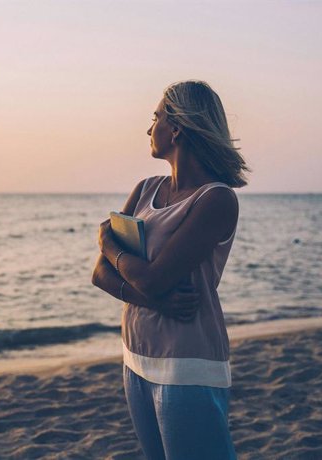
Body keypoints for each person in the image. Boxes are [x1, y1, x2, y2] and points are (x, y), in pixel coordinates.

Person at [91, 80, 249, 459]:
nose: (149, 129)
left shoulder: (216, 200)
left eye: (156, 117)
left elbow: (153, 277)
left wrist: (108, 243)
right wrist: (156, 303)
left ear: (176, 127)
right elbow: (100, 274)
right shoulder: (145, 189)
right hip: (135, 354)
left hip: (186, 362)